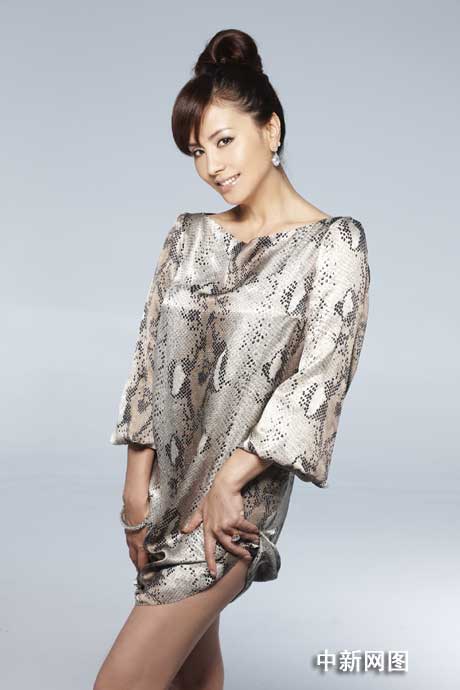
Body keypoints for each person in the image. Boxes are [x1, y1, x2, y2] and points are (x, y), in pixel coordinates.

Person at [94, 28, 371, 690]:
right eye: (197, 151)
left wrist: (228, 481)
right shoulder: (187, 236)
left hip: (232, 508)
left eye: (224, 141)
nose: (212, 166)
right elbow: (148, 363)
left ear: (271, 129)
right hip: (163, 497)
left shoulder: (334, 246)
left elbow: (317, 383)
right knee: (192, 677)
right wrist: (135, 491)